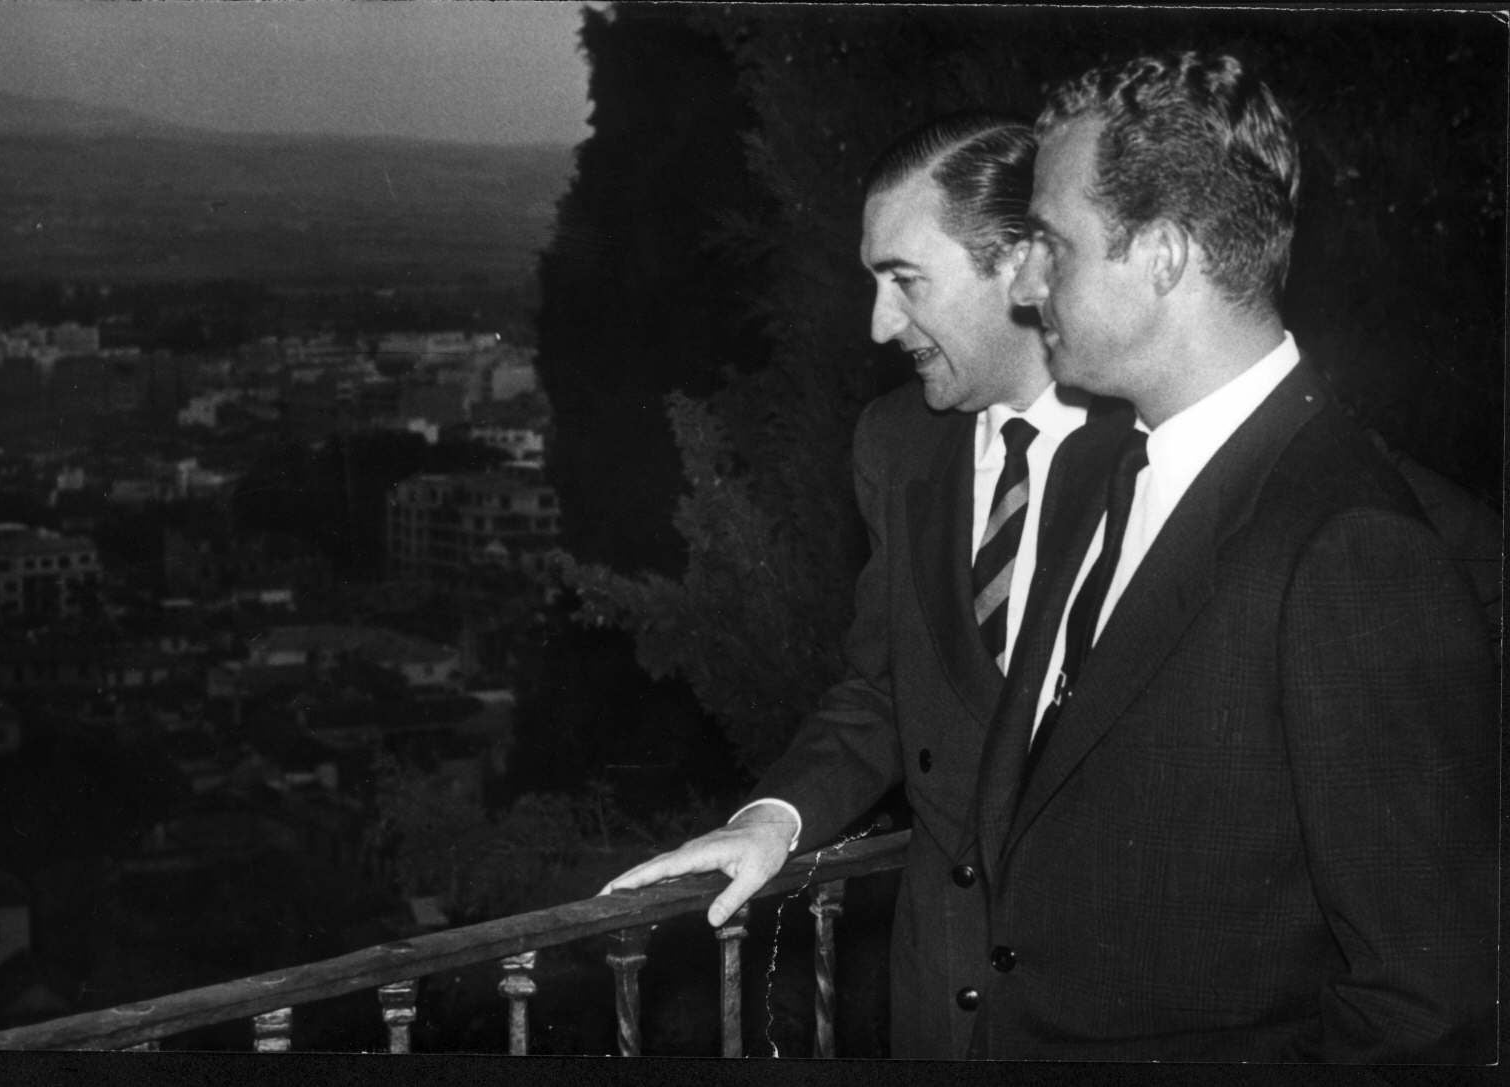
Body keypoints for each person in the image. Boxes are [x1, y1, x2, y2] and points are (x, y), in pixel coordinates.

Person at [981, 50, 1497, 1061]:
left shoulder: (1352, 548)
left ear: (1166, 254)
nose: (1027, 282)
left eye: (1053, 243)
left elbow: (1429, 1001)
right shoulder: (1098, 473)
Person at [601, 112, 1112, 1058]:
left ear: (1019, 266)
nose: (880, 325)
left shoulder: (1154, 451)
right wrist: (772, 819)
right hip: (940, 1001)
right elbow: (883, 689)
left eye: (905, 282)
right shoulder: (896, 442)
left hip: (1114, 1010)